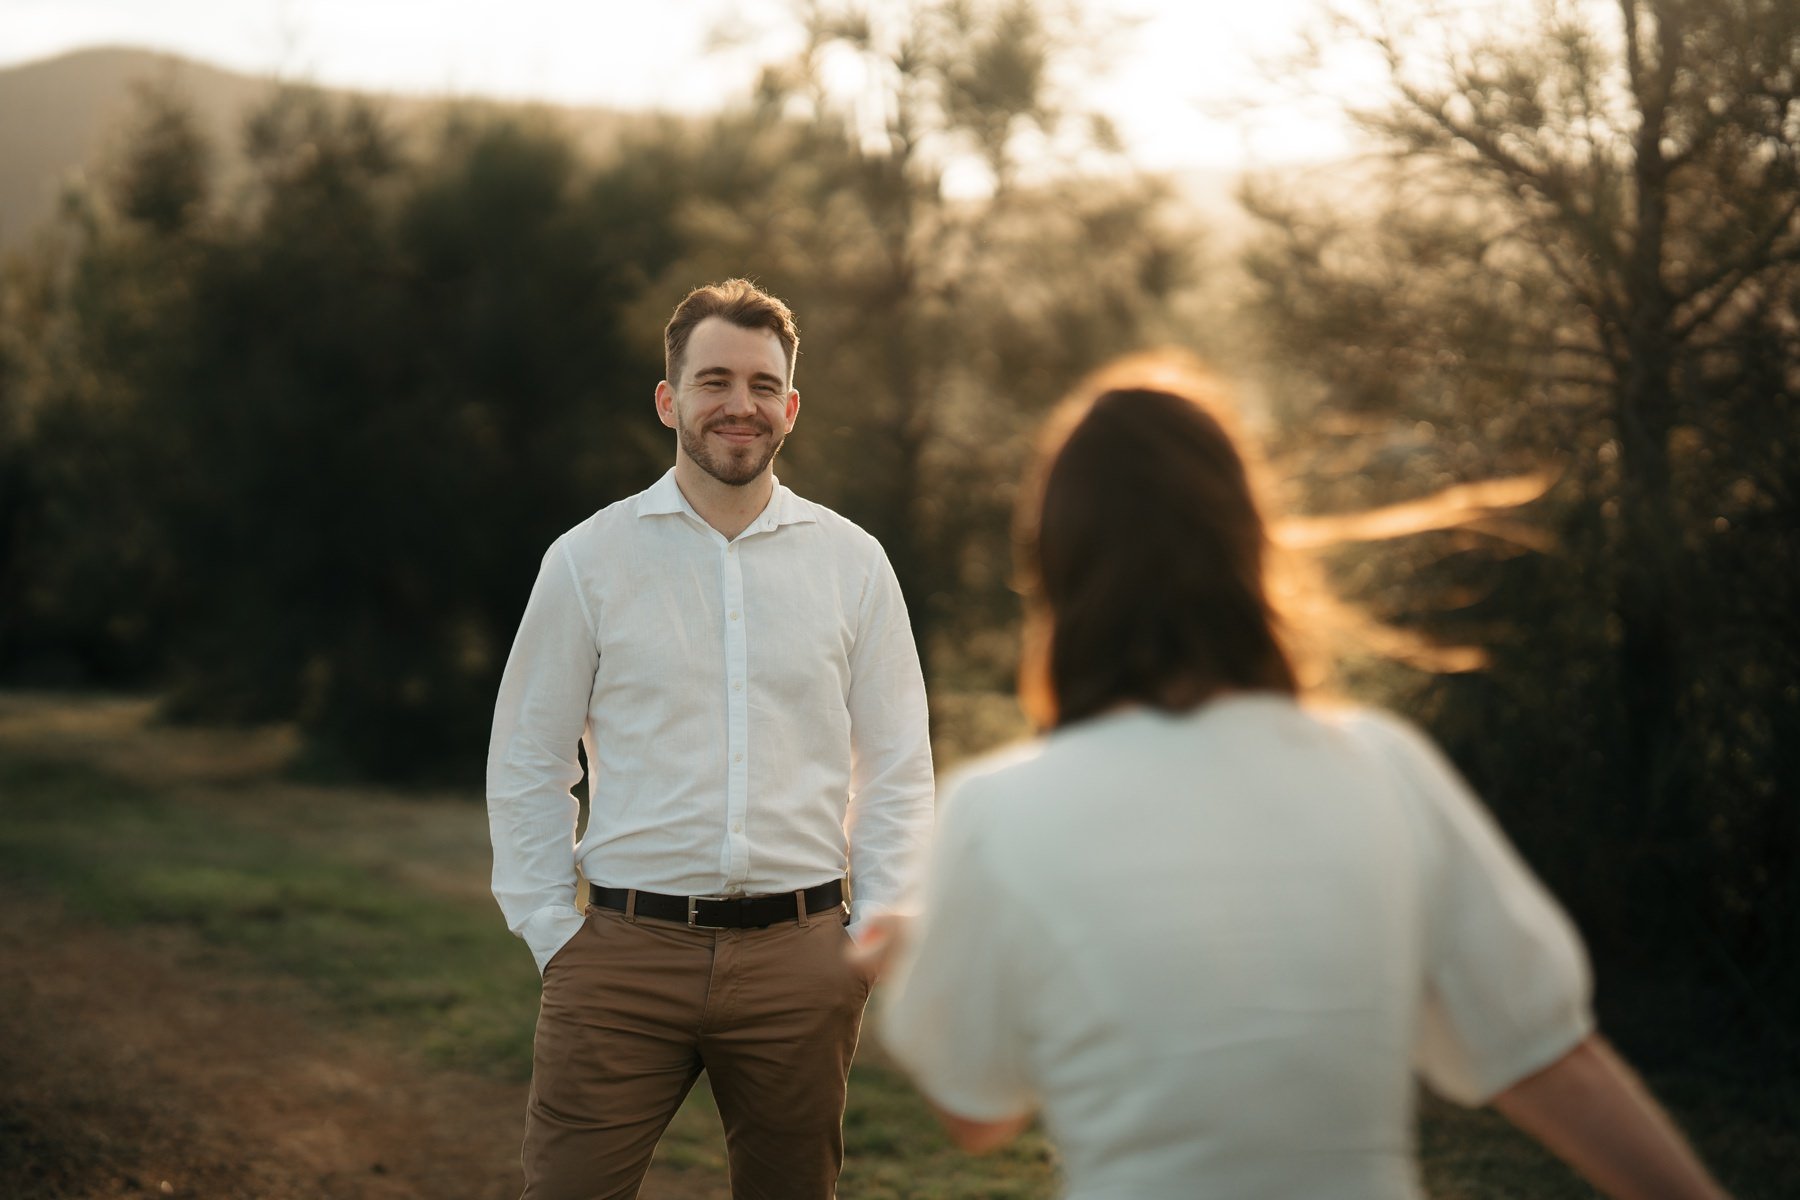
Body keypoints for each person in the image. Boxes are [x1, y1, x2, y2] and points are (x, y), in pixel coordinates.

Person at [872, 354, 1728, 1199]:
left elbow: (979, 1115)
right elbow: (1548, 1058)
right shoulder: (1386, 768)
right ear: (1249, 543)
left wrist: (914, 961)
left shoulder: (998, 812)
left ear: (1057, 570)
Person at [487, 278, 934, 1199]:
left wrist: (873, 928)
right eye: (714, 381)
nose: (741, 405)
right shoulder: (587, 560)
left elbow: (894, 766)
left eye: (764, 386)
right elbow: (530, 755)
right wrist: (547, 926)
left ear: (792, 407)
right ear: (669, 400)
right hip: (620, 957)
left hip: (802, 961)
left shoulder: (854, 563)